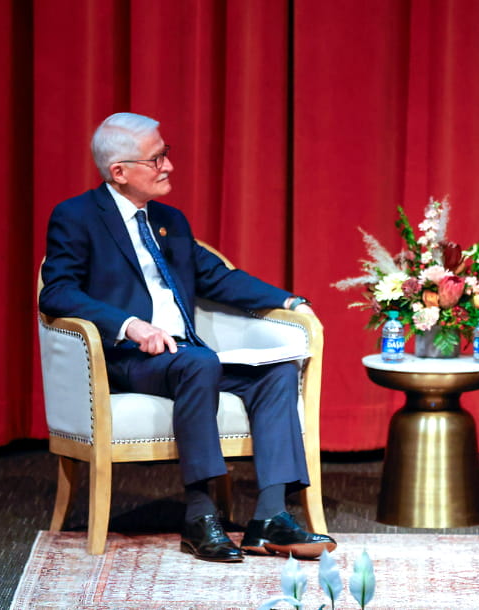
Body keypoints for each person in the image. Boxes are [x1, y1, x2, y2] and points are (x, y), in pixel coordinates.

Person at [39, 112, 336, 563]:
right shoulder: (77, 217)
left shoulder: (169, 220)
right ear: (119, 172)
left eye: (166, 154)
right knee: (199, 362)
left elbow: (217, 277)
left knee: (277, 369)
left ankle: (269, 518)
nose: (168, 166)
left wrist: (291, 302)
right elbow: (58, 290)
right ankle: (200, 517)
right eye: (156, 158)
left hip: (187, 355)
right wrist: (128, 324)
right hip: (126, 358)